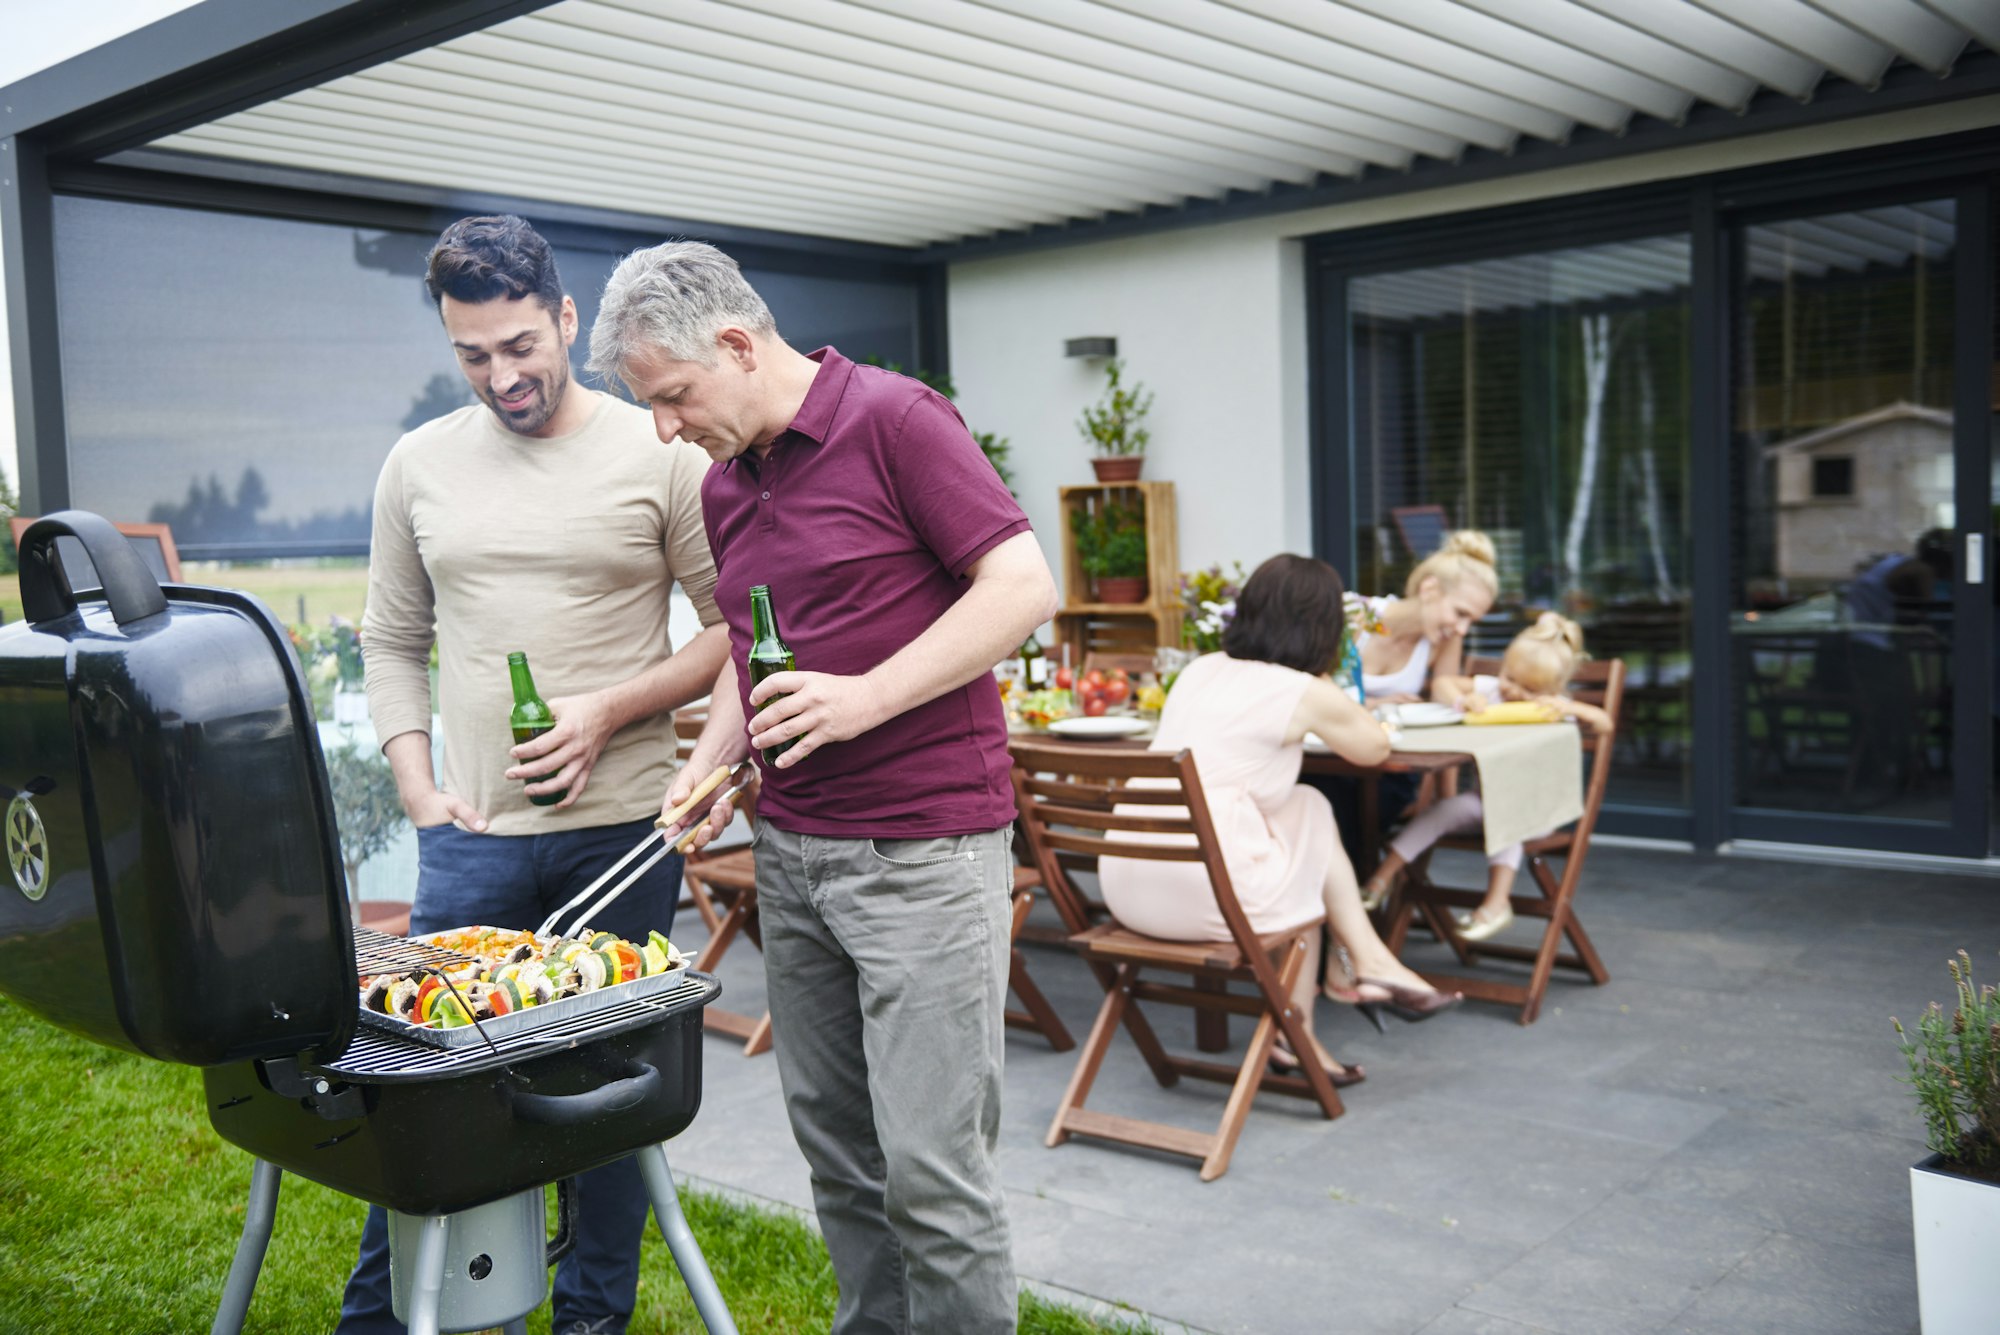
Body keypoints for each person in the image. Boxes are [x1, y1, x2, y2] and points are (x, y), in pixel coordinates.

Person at [589, 240, 1058, 1335]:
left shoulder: (898, 421)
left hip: (922, 859)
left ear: (738, 344)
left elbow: (1023, 585)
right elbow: (760, 669)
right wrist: (712, 763)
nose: (664, 427)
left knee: (932, 1178)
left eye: (672, 396)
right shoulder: (722, 485)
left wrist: (865, 700)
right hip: (792, 858)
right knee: (842, 1165)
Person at [342, 216, 729, 1335]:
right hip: (468, 838)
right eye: (473, 355)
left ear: (566, 318)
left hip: (622, 834)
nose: (501, 375)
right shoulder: (417, 462)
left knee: (605, 1110)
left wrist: (610, 707)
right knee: (429, 1111)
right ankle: (389, 1319)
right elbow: (388, 639)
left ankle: (589, 1322)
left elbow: (727, 632)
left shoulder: (659, 446)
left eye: (519, 344)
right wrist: (418, 787)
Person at [1100, 554, 1462, 1077]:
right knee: (1306, 868)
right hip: (1203, 897)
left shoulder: (1200, 670)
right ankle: (1354, 975)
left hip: (1126, 885)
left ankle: (1334, 998)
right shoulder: (1304, 691)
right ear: (1327, 630)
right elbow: (1374, 750)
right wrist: (1331, 678)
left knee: (1308, 806)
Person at [1363, 613, 1611, 942]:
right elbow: (1441, 684)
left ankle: (1497, 903)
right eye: (1509, 676)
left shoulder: (1557, 706)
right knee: (1443, 810)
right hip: (1482, 801)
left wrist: (1576, 711)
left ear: (1552, 690)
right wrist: (1463, 699)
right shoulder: (1492, 689)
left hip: (1536, 811)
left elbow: (1604, 723)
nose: (1512, 690)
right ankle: (1382, 879)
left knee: (1505, 812)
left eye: (1529, 688)